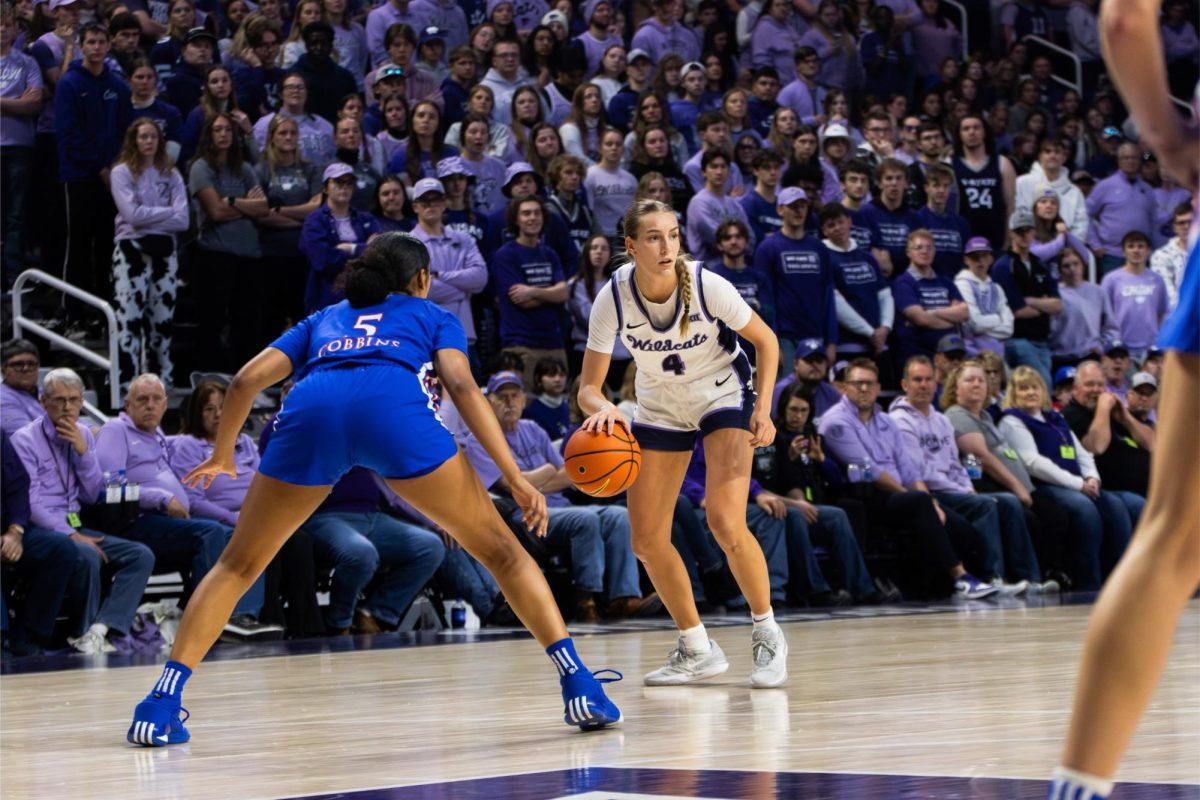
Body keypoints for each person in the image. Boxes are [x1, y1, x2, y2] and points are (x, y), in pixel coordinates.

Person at [127, 233, 624, 747]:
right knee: (504, 553)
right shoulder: (431, 315)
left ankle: (161, 700)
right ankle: (578, 683)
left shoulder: (323, 318)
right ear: (423, 280)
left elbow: (245, 382)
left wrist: (224, 452)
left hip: (314, 408)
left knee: (236, 565)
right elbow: (461, 386)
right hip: (391, 409)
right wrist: (516, 479)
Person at [576, 197, 790, 688]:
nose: (666, 246)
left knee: (724, 519)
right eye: (653, 237)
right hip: (659, 404)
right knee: (646, 539)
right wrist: (606, 409)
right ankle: (696, 646)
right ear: (630, 246)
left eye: (673, 235)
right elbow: (588, 388)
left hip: (723, 392)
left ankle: (767, 631)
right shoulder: (612, 298)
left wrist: (763, 407)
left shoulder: (706, 284)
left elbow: (768, 341)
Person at [819, 358, 999, 600]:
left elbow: (910, 470)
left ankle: (962, 583)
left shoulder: (888, 421)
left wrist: (939, 497)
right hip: (864, 494)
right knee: (924, 504)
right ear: (844, 387)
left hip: (907, 493)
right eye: (858, 383)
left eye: (869, 384)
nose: (864, 389)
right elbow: (869, 470)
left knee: (965, 524)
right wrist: (918, 496)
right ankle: (961, 577)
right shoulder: (837, 421)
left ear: (878, 387)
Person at [10, 369, 155, 654]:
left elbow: (91, 494)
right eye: (59, 400)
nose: (67, 408)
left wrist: (83, 452)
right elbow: (31, 503)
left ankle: (104, 629)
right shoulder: (24, 440)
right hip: (40, 528)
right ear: (43, 401)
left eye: (74, 400)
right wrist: (71, 535)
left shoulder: (85, 436)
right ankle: (80, 632)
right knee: (87, 555)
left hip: (77, 522)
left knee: (140, 555)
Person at [889, 356, 1042, 593]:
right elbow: (915, 469)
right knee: (985, 504)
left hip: (956, 489)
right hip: (933, 491)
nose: (923, 384)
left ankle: (1030, 579)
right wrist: (962, 491)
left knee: (1009, 503)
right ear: (905, 384)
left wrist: (967, 487)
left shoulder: (941, 420)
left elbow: (957, 463)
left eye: (928, 379)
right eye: (917, 379)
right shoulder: (900, 420)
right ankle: (992, 577)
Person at [997, 366, 1133, 591]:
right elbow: (1033, 462)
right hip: (1044, 487)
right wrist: (1079, 484)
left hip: (1078, 485)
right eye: (1023, 389)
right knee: (1084, 509)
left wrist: (1092, 478)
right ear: (1013, 393)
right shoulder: (1012, 421)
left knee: (1116, 506)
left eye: (1035, 387)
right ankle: (1089, 583)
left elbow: (1083, 453)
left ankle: (1122, 581)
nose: (1030, 392)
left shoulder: (1055, 418)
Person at [55, 22, 132, 329]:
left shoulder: (118, 85)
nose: (97, 47)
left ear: (108, 45)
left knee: (106, 244)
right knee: (78, 244)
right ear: (82, 46)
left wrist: (117, 168)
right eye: (91, 42)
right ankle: (73, 310)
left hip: (115, 176)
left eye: (101, 42)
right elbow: (69, 134)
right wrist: (101, 168)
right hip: (79, 176)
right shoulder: (70, 84)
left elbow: (128, 131)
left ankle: (103, 311)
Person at [110, 118, 189, 390]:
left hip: (165, 251)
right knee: (129, 318)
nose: (148, 142)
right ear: (134, 140)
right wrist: (167, 212)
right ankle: (126, 383)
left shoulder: (172, 173)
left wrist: (147, 217)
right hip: (131, 248)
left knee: (162, 320)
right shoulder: (121, 172)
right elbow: (131, 216)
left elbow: (184, 221)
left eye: (153, 137)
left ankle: (162, 380)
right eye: (143, 137)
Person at [189, 112, 269, 371]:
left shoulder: (244, 168)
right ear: (209, 136)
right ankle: (208, 376)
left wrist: (232, 201)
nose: (223, 134)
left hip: (250, 255)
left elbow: (263, 208)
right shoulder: (201, 167)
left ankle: (244, 380)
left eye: (228, 130)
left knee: (247, 323)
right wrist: (247, 205)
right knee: (212, 320)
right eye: (218, 130)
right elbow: (215, 211)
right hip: (215, 254)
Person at [0, 430, 78, 657]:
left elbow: (17, 488)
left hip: (8, 531)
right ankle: (2, 638)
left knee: (60, 548)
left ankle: (31, 636)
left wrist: (15, 531)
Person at [751, 187, 837, 369]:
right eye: (792, 206)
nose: (799, 210)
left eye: (802, 206)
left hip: (815, 333)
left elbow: (828, 295)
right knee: (786, 391)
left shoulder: (819, 248)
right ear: (780, 209)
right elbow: (765, 301)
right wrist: (771, 341)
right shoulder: (767, 248)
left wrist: (832, 341)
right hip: (784, 336)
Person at [408, 177, 488, 372]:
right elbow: (420, 290)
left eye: (435, 199)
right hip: (425, 336)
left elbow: (480, 278)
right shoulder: (408, 243)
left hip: (463, 335)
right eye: (424, 201)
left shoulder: (464, 239)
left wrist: (439, 275)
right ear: (415, 206)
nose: (430, 205)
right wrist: (462, 290)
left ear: (444, 203)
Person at [1060, 361, 1152, 518]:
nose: (1096, 390)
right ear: (1075, 389)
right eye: (1089, 384)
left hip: (1146, 488)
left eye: (1100, 385)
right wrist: (1102, 408)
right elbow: (1095, 447)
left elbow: (1152, 444)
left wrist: (1125, 417)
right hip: (1109, 490)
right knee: (1138, 506)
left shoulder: (1114, 412)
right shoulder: (1071, 413)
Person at [991, 208, 1062, 388]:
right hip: (1018, 339)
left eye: (1028, 230)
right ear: (1012, 233)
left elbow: (1057, 305)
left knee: (1040, 388)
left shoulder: (1040, 265)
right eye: (1019, 231)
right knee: (1044, 385)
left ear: (1034, 232)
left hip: (1042, 339)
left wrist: (1030, 300)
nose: (1024, 235)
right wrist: (1043, 304)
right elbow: (1017, 310)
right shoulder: (1003, 266)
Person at [298, 163, 383, 312]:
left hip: (365, 298)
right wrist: (364, 250)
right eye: (338, 182)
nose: (344, 187)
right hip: (327, 301)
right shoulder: (314, 221)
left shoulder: (366, 219)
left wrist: (352, 248)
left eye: (349, 183)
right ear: (325, 188)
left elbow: (381, 254)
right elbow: (323, 260)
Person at [0, 5, 42, 285]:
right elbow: (23, 102)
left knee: (16, 216)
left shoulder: (27, 62)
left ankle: (14, 276)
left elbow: (34, 103)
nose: (3, 30)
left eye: (7, 25)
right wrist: (17, 102)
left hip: (20, 146)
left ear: (16, 30)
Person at [892, 228, 969, 363]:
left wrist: (932, 312)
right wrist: (952, 318)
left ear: (934, 252)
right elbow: (921, 319)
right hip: (917, 358)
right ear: (908, 252)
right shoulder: (903, 283)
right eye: (918, 247)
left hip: (949, 356)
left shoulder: (945, 281)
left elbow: (964, 313)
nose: (924, 251)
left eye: (929, 248)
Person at [1085, 141, 1157, 275]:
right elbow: (1085, 213)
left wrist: (1151, 247)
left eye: (1134, 157)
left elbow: (1152, 220)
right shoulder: (1105, 186)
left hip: (1141, 254)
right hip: (1112, 255)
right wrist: (1095, 244)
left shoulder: (1147, 190)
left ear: (1140, 161)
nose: (1130, 161)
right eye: (1126, 158)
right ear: (1118, 161)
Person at [1099, 231, 1170, 363]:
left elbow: (1161, 313)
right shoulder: (1111, 279)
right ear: (1123, 251)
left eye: (1140, 246)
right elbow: (1103, 314)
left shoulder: (1157, 280)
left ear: (1148, 251)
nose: (1136, 250)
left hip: (1150, 349)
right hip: (1120, 348)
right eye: (1131, 246)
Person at [951, 113, 1016, 251]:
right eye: (966, 129)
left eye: (976, 128)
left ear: (985, 132)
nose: (971, 132)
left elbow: (1011, 207)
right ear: (959, 134)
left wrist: (1008, 241)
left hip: (995, 240)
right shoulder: (949, 164)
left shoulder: (1002, 163)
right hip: (961, 239)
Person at [686, 148, 753, 264]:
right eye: (714, 167)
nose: (719, 172)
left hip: (735, 267)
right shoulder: (698, 202)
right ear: (703, 172)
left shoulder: (734, 204)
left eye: (723, 167)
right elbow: (716, 237)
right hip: (707, 269)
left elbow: (751, 238)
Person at [955, 237, 1014, 358]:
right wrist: (997, 319)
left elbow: (1009, 328)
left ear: (991, 259)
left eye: (984, 256)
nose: (980, 261)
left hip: (997, 355)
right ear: (966, 260)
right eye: (975, 257)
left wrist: (983, 328)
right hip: (971, 354)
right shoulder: (962, 284)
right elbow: (974, 325)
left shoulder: (997, 288)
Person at [584, 128, 638, 234]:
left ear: (623, 149)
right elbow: (588, 211)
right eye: (609, 144)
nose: (614, 148)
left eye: (618, 144)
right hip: (602, 237)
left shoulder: (631, 179)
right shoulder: (590, 175)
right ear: (600, 148)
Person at [1149, 201, 1192, 309]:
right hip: (1180, 316)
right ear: (1174, 227)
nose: (1186, 226)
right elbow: (1168, 295)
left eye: (1190, 222)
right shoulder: (1161, 256)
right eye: (1181, 223)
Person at [1, 340, 43, 436]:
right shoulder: (2, 399)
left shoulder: (47, 393)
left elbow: (81, 428)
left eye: (31, 364)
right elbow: (26, 439)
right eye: (18, 364)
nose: (26, 368)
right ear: (3, 370)